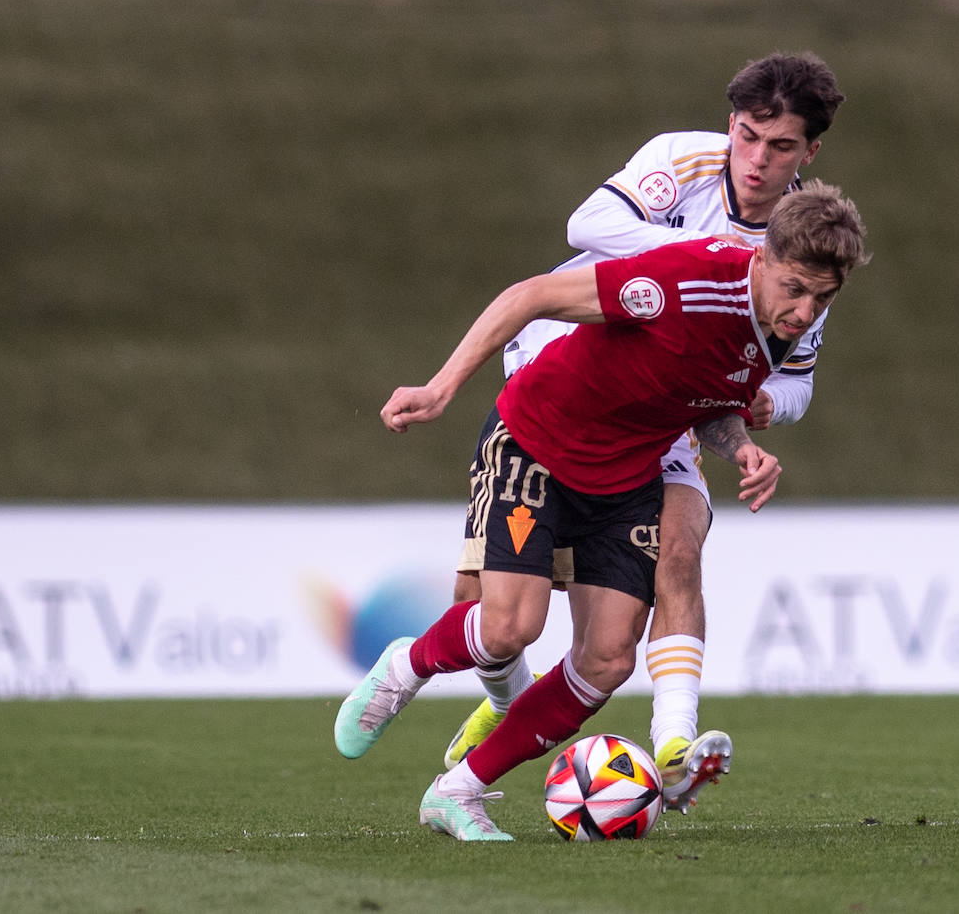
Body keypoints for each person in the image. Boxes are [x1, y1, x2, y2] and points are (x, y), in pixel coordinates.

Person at [335, 179, 870, 841]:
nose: (805, 309)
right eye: (795, 288)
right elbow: (530, 296)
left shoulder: (787, 331)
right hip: (537, 445)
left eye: (824, 297)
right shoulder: (685, 281)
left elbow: (711, 404)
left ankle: (458, 790)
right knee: (509, 630)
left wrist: (742, 451)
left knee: (609, 658)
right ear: (760, 259)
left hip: (622, 483)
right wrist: (442, 387)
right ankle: (403, 668)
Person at [441, 51, 848, 814]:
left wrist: (767, 411)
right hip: (567, 374)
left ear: (810, 152)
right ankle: (505, 695)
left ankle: (673, 747)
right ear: (732, 124)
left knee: (682, 547)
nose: (757, 160)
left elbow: (798, 376)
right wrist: (701, 272)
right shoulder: (683, 160)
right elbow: (587, 224)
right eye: (749, 136)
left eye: (781, 146)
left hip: (676, 412)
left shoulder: (805, 241)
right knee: (487, 611)